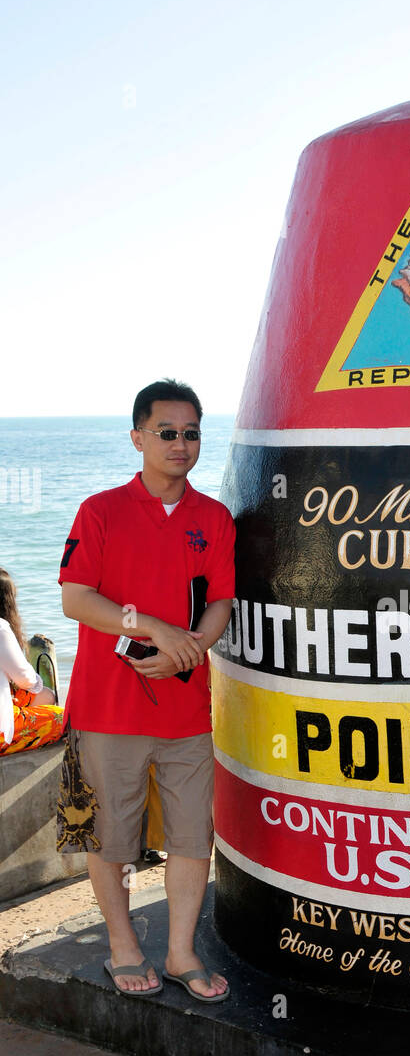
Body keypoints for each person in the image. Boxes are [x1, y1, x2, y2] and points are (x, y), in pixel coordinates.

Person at [59, 379, 235, 999]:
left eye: (191, 433)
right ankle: (123, 946)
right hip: (107, 709)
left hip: (188, 711)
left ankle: (183, 952)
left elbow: (219, 602)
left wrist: (191, 649)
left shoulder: (213, 518)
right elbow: (76, 598)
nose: (180, 444)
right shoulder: (99, 510)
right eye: (167, 432)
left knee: (193, 837)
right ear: (138, 437)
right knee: (110, 837)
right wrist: (157, 629)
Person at [0, 569, 65, 755]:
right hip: (2, 733)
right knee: (64, 717)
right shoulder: (1, 629)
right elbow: (25, 679)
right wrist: (36, 685)